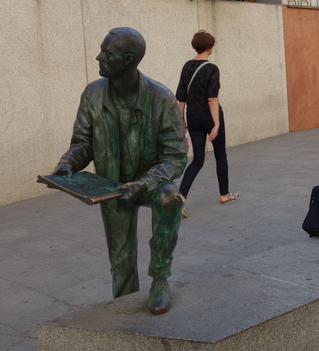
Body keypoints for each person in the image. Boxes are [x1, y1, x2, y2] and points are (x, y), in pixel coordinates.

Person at [51, 28, 187, 314]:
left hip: (149, 182)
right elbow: (83, 143)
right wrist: (68, 163)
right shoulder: (92, 94)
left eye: (107, 53)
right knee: (121, 259)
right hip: (112, 185)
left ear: (128, 59)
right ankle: (124, 308)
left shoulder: (161, 99)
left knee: (169, 198)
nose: (99, 57)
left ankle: (160, 278)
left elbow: (175, 155)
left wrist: (145, 182)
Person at [175, 31, 239, 218]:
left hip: (193, 117)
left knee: (197, 160)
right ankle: (224, 195)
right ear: (210, 47)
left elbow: (180, 98)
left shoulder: (187, 66)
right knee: (220, 156)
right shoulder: (212, 68)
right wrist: (217, 124)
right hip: (210, 117)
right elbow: (212, 99)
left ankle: (181, 199)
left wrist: (182, 122)